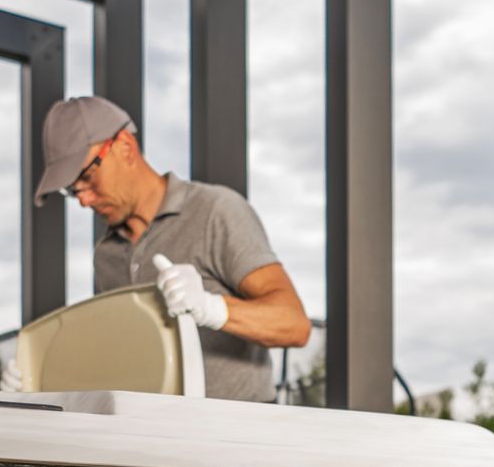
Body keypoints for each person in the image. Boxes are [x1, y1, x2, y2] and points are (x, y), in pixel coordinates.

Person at [28, 95, 310, 402]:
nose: (83, 199)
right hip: (152, 437)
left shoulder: (215, 212)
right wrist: (37, 382)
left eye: (87, 176)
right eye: (72, 190)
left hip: (238, 436)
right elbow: (116, 359)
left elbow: (293, 324)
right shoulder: (105, 256)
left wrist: (212, 308)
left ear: (124, 146)